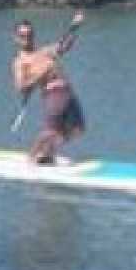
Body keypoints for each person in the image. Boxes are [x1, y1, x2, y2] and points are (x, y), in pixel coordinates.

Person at [12, 11, 86, 164]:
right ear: (16, 38)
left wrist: (74, 26)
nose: (27, 38)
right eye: (23, 35)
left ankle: (47, 154)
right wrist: (39, 75)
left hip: (68, 92)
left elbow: (63, 45)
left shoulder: (44, 51)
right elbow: (20, 87)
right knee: (50, 131)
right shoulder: (20, 62)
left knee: (77, 130)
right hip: (53, 93)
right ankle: (30, 159)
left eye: (30, 35)